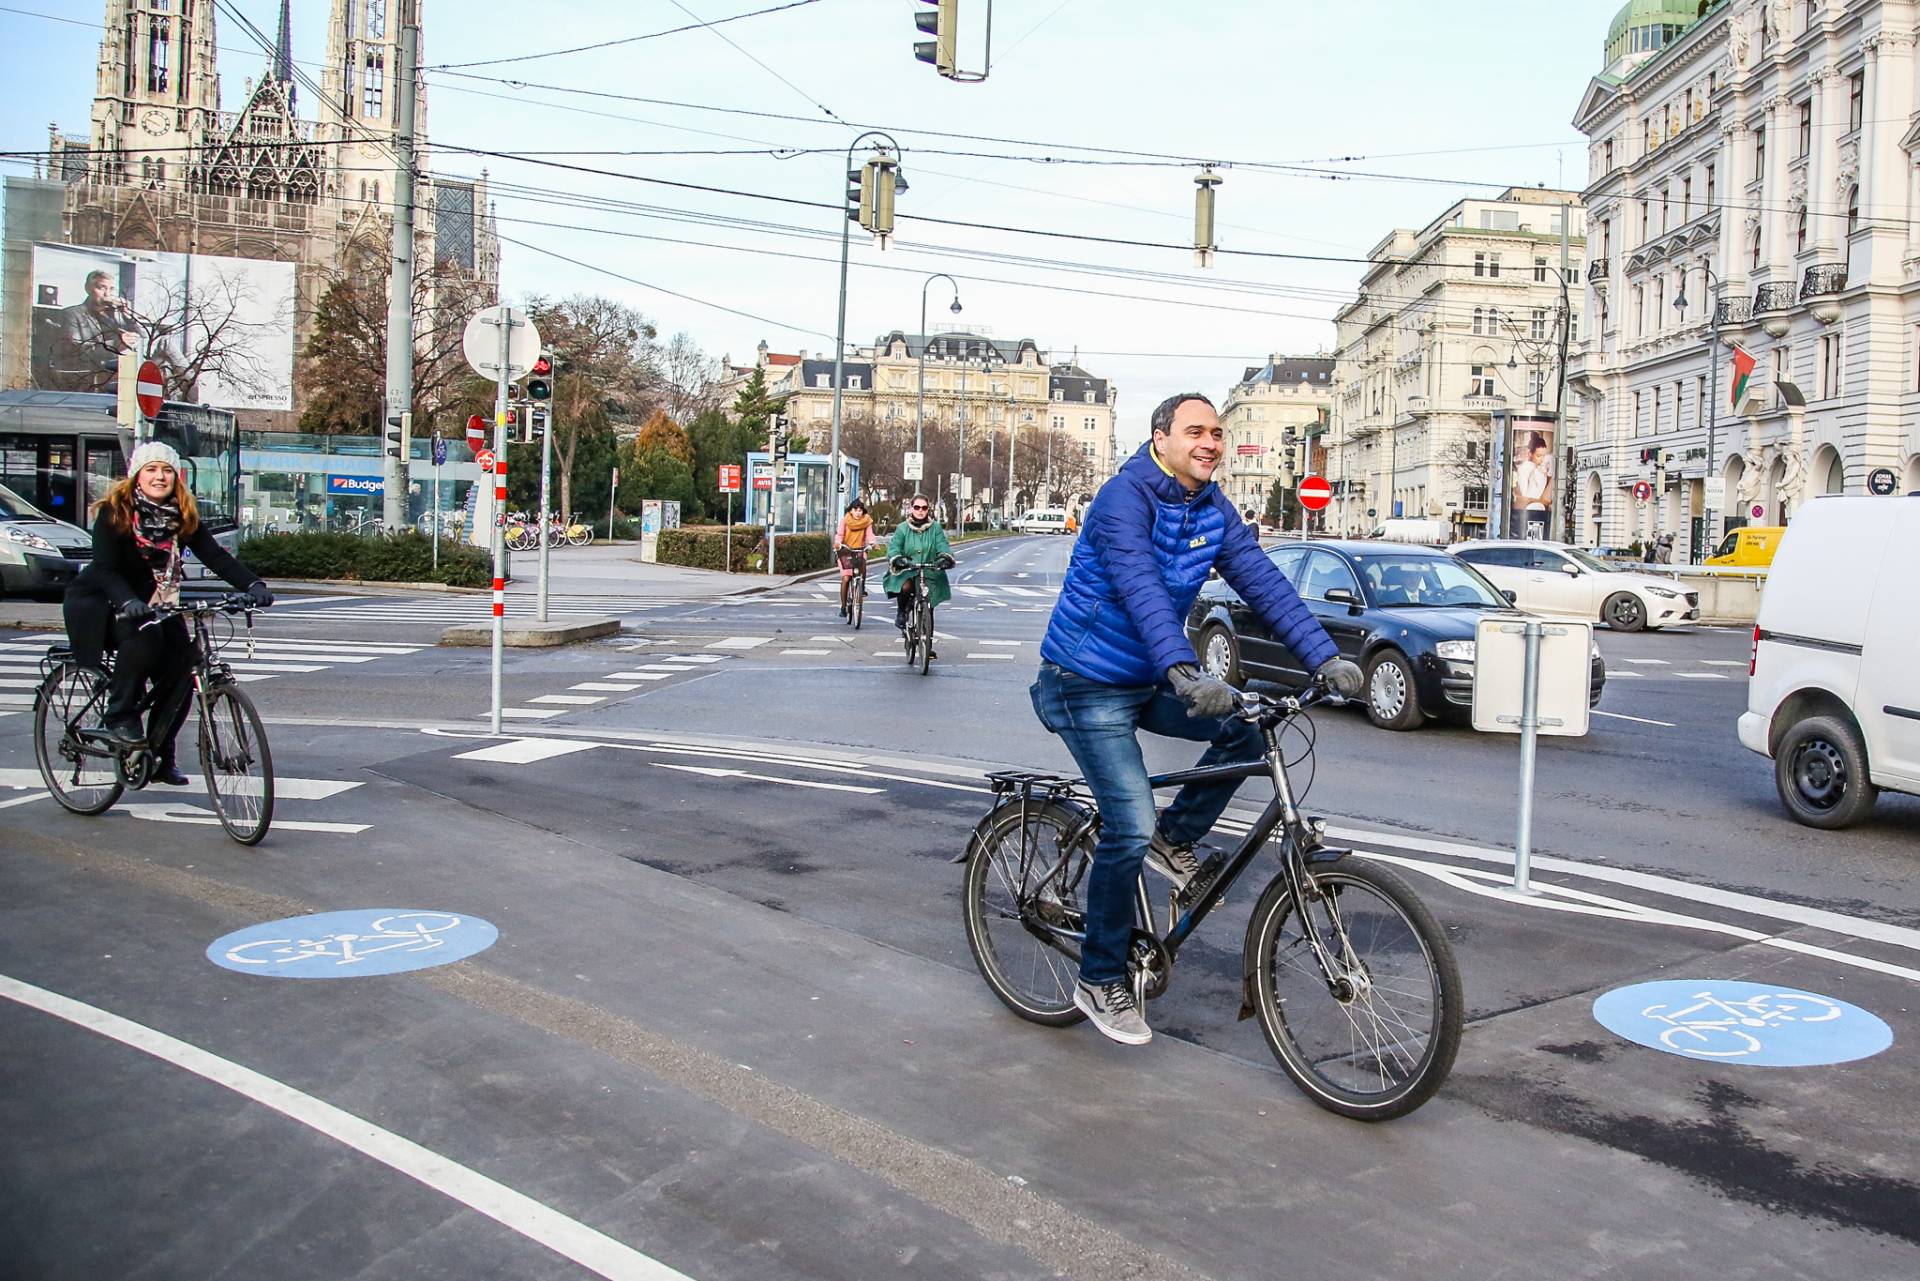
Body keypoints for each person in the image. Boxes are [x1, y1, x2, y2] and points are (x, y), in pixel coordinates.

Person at [1031, 391, 1364, 1046]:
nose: (1210, 441)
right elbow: (1141, 588)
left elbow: (1263, 581)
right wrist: (1186, 669)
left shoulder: (1210, 507)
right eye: (1195, 431)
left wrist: (1325, 657)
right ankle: (1099, 978)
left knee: (1250, 720)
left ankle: (1173, 838)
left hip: (1149, 675)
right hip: (1084, 681)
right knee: (1128, 819)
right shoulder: (1124, 499)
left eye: (1217, 431)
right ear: (1161, 439)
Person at [63, 441, 273, 786]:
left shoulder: (182, 515)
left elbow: (215, 556)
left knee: (184, 667)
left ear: (177, 477)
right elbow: (104, 569)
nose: (160, 476)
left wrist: (252, 586)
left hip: (157, 603)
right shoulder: (114, 513)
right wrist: (127, 601)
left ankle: (161, 755)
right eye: (151, 469)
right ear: (137, 476)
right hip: (103, 602)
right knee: (145, 639)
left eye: (167, 470)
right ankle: (120, 716)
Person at [883, 495, 954, 655]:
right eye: (917, 507)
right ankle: (901, 611)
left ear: (928, 509)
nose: (920, 511)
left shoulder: (935, 528)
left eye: (924, 508)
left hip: (929, 569)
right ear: (911, 509)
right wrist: (898, 559)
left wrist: (944, 558)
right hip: (907, 569)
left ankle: (927, 644)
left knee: (929, 605)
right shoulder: (902, 528)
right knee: (905, 586)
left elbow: (943, 545)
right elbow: (894, 547)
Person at [835, 498, 875, 615]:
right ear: (850, 511)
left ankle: (861, 587)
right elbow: (840, 534)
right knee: (846, 578)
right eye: (855, 509)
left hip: (859, 549)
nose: (858, 512)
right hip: (845, 550)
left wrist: (872, 543)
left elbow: (870, 534)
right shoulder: (845, 521)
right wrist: (838, 543)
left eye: (860, 510)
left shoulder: (867, 521)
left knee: (862, 563)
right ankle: (843, 607)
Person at [1513, 432, 1553, 540]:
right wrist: (1541, 501)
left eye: (1544, 456)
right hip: (1530, 512)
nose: (1542, 459)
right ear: (1531, 454)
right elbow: (1521, 499)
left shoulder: (1540, 471)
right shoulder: (1527, 467)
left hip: (1537, 512)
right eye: (1539, 455)